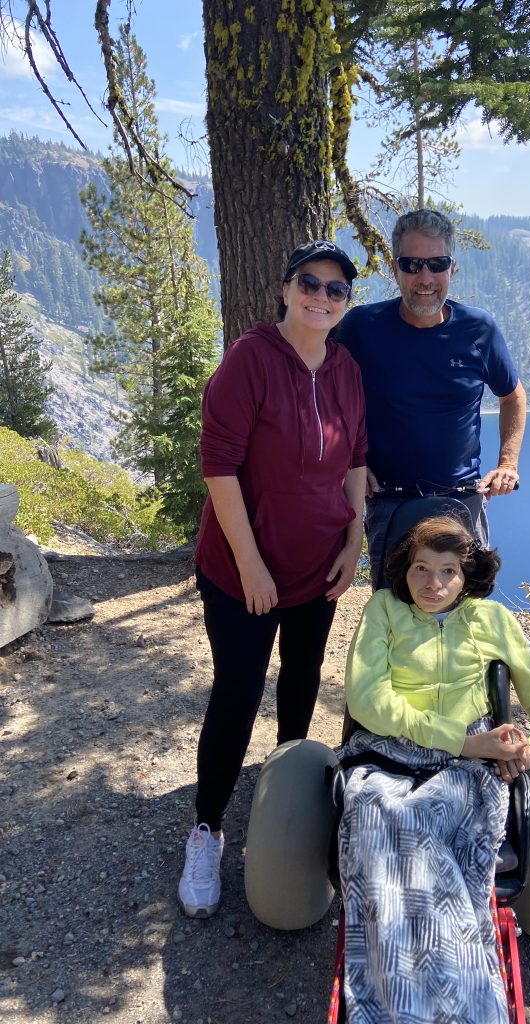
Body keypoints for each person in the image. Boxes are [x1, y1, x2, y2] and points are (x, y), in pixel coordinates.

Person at [178, 240, 367, 919]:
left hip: (319, 564)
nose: (322, 296)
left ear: (347, 303)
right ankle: (207, 828)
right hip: (241, 573)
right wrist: (251, 562)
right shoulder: (250, 359)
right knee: (236, 691)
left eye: (337, 289)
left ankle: (286, 808)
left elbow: (356, 461)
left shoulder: (345, 368)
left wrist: (355, 538)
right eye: (310, 283)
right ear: (286, 289)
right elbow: (219, 466)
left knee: (303, 679)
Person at [338, 515, 530, 1023]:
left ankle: (444, 1004)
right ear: (405, 569)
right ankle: (417, 1003)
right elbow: (366, 699)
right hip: (387, 752)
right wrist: (460, 741)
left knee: (423, 844)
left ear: (468, 576)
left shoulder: (494, 620)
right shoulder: (384, 608)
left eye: (447, 571)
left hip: (470, 768)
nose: (432, 584)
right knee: (378, 816)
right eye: (421, 569)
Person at [336, 208, 527, 586]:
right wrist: (348, 460)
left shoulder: (478, 329)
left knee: (466, 622)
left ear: (452, 268)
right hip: (390, 503)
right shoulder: (362, 327)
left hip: (463, 501)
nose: (425, 278)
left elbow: (513, 396)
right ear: (395, 269)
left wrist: (508, 463)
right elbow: (324, 395)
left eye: (436, 264)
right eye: (412, 264)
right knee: (395, 619)